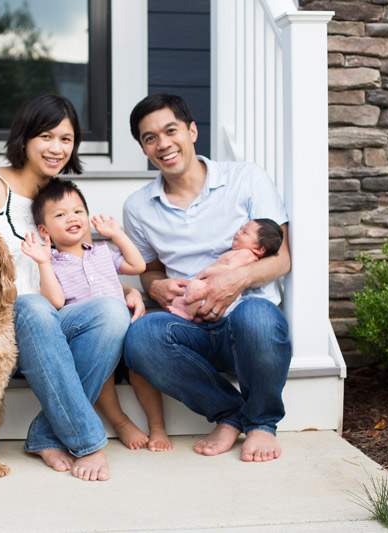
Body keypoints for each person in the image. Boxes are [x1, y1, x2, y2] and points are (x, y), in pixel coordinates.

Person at [0, 93, 145, 481]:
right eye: (46, 135)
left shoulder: (58, 199)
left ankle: (44, 434)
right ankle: (88, 441)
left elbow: (78, 261)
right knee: (33, 306)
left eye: (66, 138)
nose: (57, 148)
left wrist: (120, 288)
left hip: (59, 318)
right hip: (3, 322)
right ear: (24, 137)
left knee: (110, 310)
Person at [121, 93, 292, 462]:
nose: (163, 144)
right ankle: (229, 414)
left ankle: (261, 423)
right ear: (143, 147)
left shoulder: (246, 178)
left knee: (259, 317)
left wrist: (236, 280)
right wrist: (155, 285)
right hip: (191, 327)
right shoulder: (138, 207)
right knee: (141, 338)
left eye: (171, 131)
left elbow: (281, 261)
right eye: (150, 138)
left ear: (192, 130)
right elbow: (148, 271)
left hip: (245, 323)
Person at [21, 178, 172, 451]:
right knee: (103, 378)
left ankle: (158, 426)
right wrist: (43, 261)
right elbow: (54, 301)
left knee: (142, 371)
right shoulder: (51, 262)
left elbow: (138, 265)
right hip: (93, 337)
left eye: (78, 211)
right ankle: (121, 422)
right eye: (60, 214)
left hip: (125, 330)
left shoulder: (103, 251)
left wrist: (117, 235)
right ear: (44, 229)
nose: (71, 218)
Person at [168, 218, 283, 321]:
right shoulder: (238, 253)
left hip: (220, 298)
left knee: (194, 286)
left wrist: (206, 271)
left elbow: (229, 269)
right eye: (240, 229)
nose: (238, 232)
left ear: (258, 249)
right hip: (210, 294)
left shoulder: (245, 254)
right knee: (176, 301)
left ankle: (189, 315)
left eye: (245, 232)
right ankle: (195, 314)